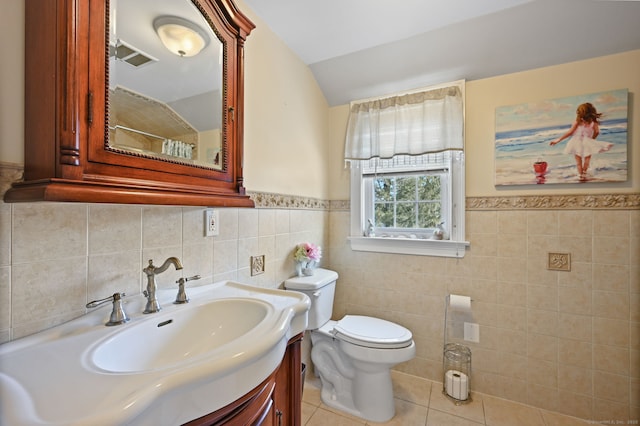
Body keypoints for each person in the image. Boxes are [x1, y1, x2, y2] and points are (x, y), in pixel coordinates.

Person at [549, 102, 613, 181]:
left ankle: (581, 176)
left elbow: (570, 132)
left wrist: (557, 140)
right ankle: (584, 174)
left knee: (578, 162)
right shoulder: (594, 123)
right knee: (587, 160)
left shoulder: (577, 122)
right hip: (587, 142)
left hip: (576, 142)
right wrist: (592, 140)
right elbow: (597, 132)